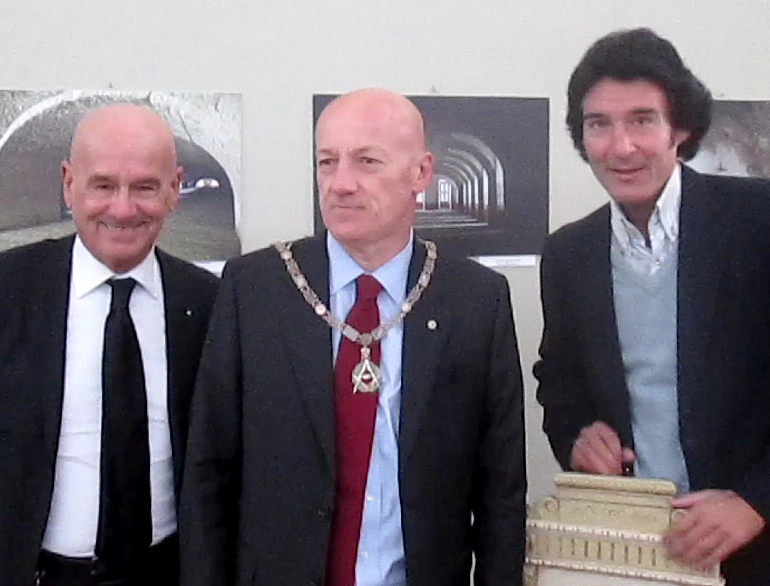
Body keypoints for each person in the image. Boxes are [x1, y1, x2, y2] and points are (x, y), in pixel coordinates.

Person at [180, 88, 526, 586]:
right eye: (328, 162)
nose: (340, 184)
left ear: (421, 173)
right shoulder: (256, 289)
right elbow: (208, 472)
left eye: (367, 161)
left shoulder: (474, 300)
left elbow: (501, 490)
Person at [535, 28, 770, 585]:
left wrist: (757, 501)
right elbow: (559, 382)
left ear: (680, 128)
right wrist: (578, 435)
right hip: (638, 554)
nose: (621, 147)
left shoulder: (758, 223)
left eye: (642, 120)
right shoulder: (569, 253)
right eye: (599, 124)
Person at [0, 103, 219, 586]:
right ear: (68, 184)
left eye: (145, 187)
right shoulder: (9, 290)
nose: (123, 209)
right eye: (103, 186)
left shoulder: (210, 305)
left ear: (175, 189)